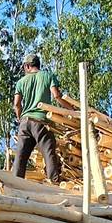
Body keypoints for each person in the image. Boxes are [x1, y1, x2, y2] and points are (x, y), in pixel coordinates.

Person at [12, 53, 71, 181]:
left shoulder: (21, 82)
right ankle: (54, 183)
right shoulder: (48, 76)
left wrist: (20, 118)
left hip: (25, 122)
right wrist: (72, 110)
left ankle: (15, 185)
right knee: (49, 154)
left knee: (20, 159)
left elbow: (17, 104)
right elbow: (56, 96)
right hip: (42, 122)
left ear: (27, 66)